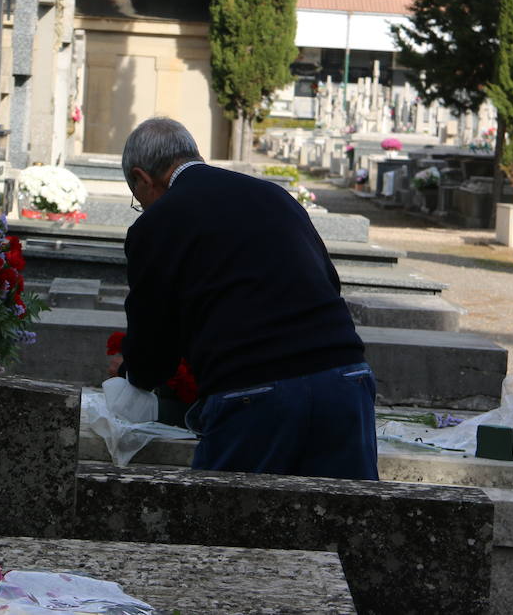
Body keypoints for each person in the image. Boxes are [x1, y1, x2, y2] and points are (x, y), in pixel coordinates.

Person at [112, 117, 378, 479]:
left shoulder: (157, 222)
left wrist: (132, 372)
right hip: (346, 376)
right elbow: (328, 282)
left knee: (223, 528)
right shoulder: (273, 195)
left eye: (136, 197)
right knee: (342, 522)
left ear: (143, 178)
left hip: (254, 391)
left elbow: (153, 341)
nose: (141, 206)